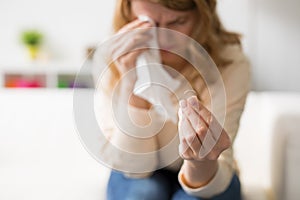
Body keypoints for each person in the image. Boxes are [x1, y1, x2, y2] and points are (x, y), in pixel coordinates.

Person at [93, 0, 250, 199]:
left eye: (178, 22)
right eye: (149, 22)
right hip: (136, 169)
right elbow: (134, 168)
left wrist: (199, 161)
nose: (163, 38)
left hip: (210, 172)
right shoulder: (116, 54)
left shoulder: (229, 62)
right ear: (128, 12)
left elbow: (212, 178)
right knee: (141, 193)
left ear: (201, 17)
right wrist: (130, 81)